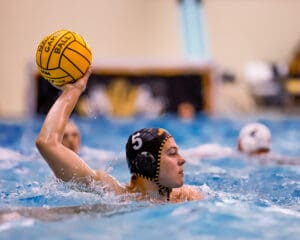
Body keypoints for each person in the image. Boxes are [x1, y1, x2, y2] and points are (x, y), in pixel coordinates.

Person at [35, 67, 203, 203]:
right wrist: (73, 91)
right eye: (172, 153)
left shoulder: (186, 196)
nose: (182, 159)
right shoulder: (113, 194)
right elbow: (47, 143)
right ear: (148, 163)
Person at [183, 122, 299, 165]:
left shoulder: (222, 153)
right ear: (268, 145)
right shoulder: (275, 160)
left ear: (239, 142)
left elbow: (188, 155)